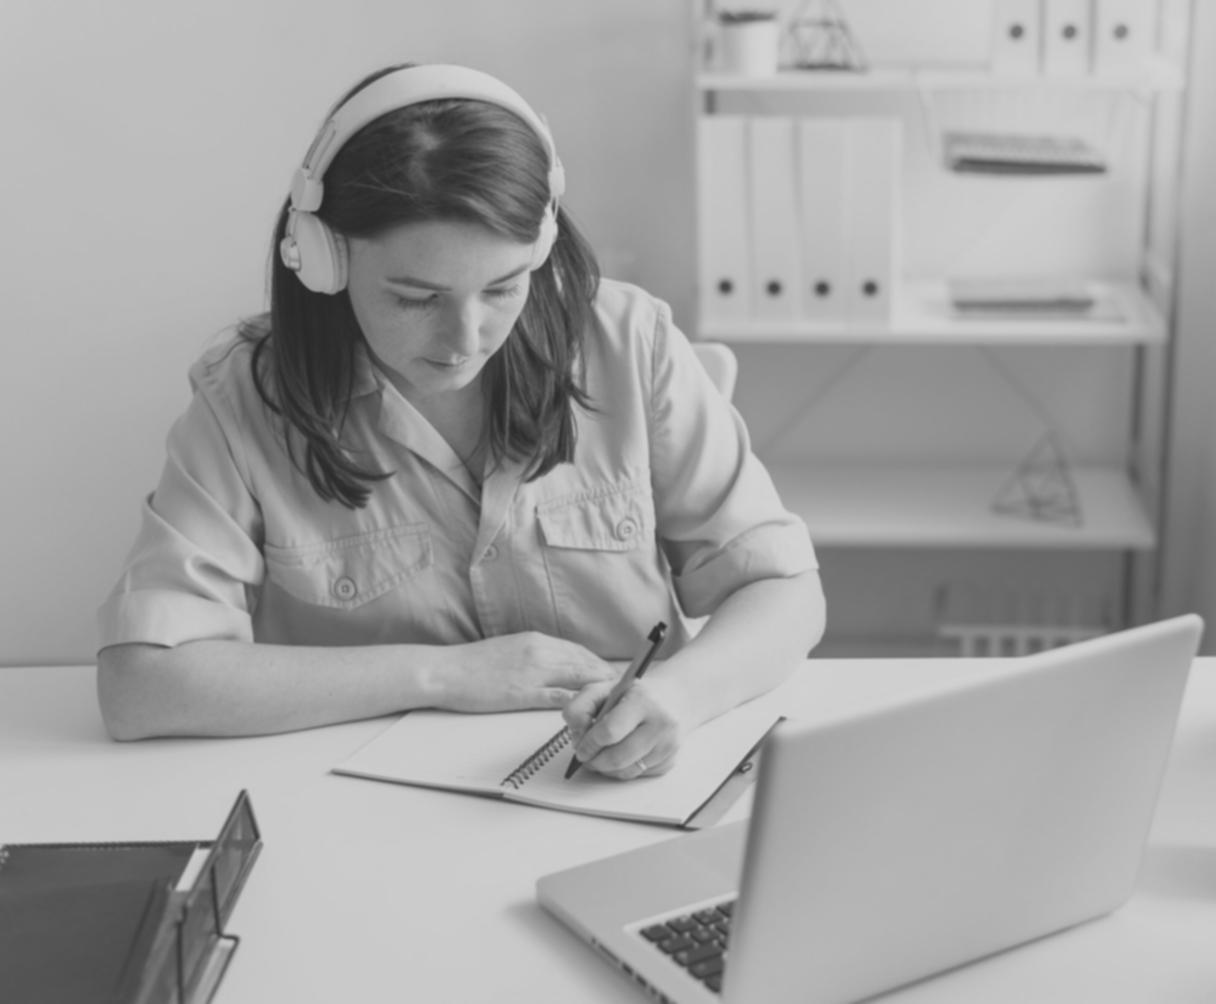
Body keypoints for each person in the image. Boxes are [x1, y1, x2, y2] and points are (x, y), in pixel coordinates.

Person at [96, 62, 825, 779]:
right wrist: (445, 675)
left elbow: (786, 592)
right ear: (323, 261)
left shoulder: (630, 341)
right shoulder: (244, 397)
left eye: (503, 288)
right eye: (416, 298)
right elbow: (140, 686)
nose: (465, 340)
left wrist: (679, 697)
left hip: (617, 799)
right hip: (358, 814)